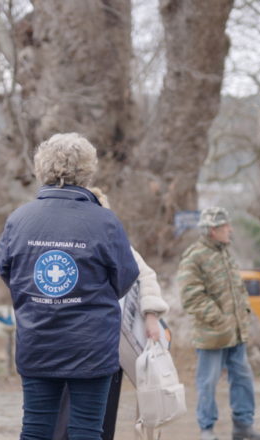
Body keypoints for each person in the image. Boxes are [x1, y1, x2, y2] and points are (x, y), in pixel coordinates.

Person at [0, 133, 140, 440]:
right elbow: (125, 279)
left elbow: (6, 270)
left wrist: (37, 295)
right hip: (92, 346)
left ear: (41, 168)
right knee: (87, 430)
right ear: (88, 170)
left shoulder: (19, 219)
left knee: (35, 429)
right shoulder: (105, 222)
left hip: (37, 341)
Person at [53, 187, 170, 440]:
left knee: (102, 413)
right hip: (70, 341)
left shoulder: (115, 240)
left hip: (109, 343)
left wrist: (151, 314)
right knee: (65, 412)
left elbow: (145, 274)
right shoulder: (64, 238)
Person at [178, 207, 260, 440]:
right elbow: (191, 297)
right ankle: (206, 430)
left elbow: (237, 289)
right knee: (207, 383)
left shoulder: (225, 252)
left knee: (243, 378)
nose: (230, 229)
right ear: (212, 230)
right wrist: (220, 320)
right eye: (225, 225)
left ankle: (243, 427)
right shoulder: (194, 257)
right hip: (212, 336)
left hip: (236, 335)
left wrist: (243, 314)